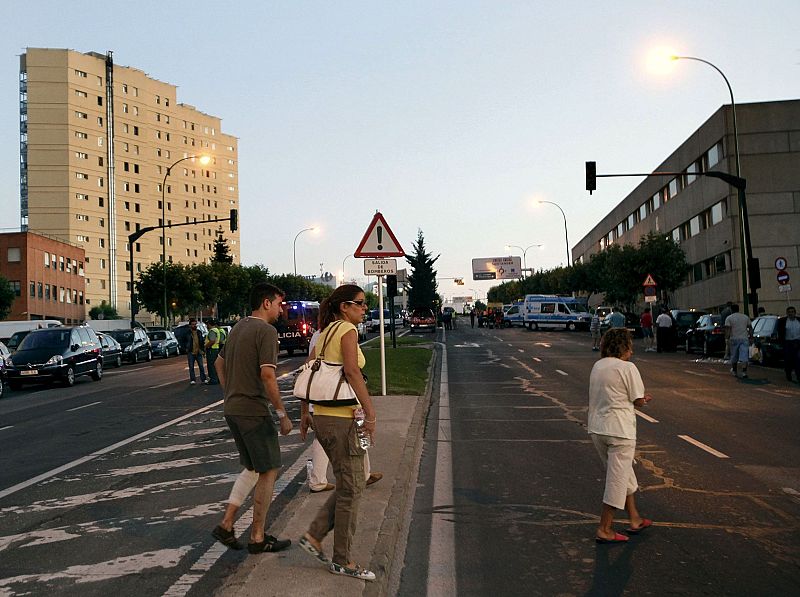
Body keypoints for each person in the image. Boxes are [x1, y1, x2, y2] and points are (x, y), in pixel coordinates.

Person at [298, 285, 377, 581]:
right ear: (344, 307)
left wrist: (305, 413)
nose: (364, 308)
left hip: (325, 418)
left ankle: (314, 536)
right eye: (359, 303)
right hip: (342, 420)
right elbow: (353, 373)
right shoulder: (347, 331)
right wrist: (371, 414)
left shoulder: (324, 333)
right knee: (353, 488)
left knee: (347, 483)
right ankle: (342, 560)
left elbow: (310, 370)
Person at [210, 282, 293, 554]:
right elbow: (268, 376)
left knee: (253, 468)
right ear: (266, 303)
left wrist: (231, 391)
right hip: (253, 412)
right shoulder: (265, 331)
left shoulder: (236, 328)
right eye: (279, 304)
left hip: (233, 408)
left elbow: (218, 364)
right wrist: (282, 413)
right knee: (269, 470)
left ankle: (226, 524)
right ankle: (257, 536)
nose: (281, 310)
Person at [588, 328, 653, 544]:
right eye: (630, 347)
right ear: (623, 347)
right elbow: (637, 400)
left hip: (597, 429)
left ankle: (634, 518)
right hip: (620, 431)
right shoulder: (628, 368)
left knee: (622, 473)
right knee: (616, 480)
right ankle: (604, 528)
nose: (632, 352)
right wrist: (644, 399)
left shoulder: (599, 365)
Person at [305, 327, 383, 492]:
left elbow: (308, 367)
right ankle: (320, 479)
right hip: (340, 396)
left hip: (324, 396)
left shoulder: (320, 335)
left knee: (350, 432)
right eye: (358, 304)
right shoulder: (343, 333)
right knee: (356, 431)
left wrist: (304, 408)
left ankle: (363, 473)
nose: (363, 309)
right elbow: (352, 369)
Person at [725, 304, 752, 379]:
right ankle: (744, 372)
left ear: (731, 310)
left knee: (734, 355)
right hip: (744, 338)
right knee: (744, 356)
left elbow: (728, 329)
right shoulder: (745, 317)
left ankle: (734, 370)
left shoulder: (729, 318)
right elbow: (750, 327)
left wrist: (727, 338)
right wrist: (751, 337)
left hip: (734, 338)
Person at [776, 306, 800, 383]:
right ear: (787, 313)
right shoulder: (783, 321)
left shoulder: (798, 321)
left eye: (792, 312)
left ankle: (798, 375)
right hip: (788, 342)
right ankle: (788, 374)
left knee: (798, 360)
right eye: (789, 312)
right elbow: (780, 332)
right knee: (788, 360)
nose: (791, 313)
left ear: (795, 313)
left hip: (798, 342)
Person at [183, 318, 208, 385]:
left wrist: (203, 350)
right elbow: (183, 341)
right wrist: (186, 348)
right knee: (191, 367)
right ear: (190, 325)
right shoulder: (187, 333)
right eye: (193, 324)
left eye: (195, 324)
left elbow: (201, 341)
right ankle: (192, 379)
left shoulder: (199, 332)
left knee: (201, 366)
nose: (194, 325)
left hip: (198, 351)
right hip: (191, 352)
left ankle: (204, 379)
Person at [205, 318, 222, 385]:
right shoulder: (216, 330)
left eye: (207, 324)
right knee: (215, 365)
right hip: (215, 349)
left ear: (209, 324)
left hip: (211, 350)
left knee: (211, 365)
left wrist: (206, 346)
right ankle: (216, 378)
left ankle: (213, 379)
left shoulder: (212, 331)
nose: (207, 326)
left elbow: (212, 341)